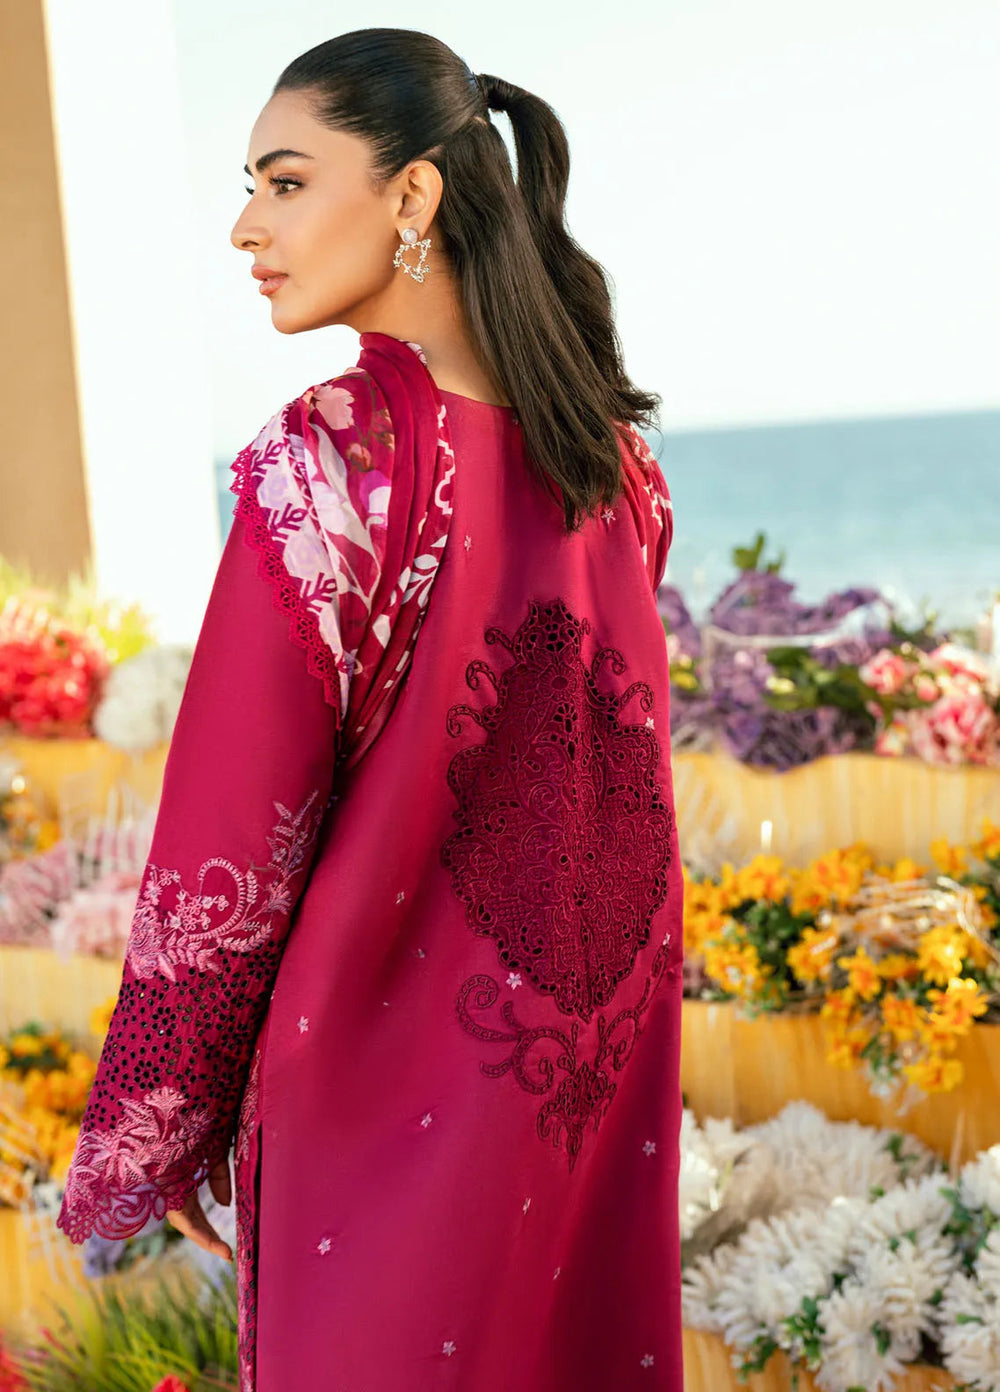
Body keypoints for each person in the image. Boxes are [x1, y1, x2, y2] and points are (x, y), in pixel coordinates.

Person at [56, 27, 683, 1392]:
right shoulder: (619, 471)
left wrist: (155, 1131)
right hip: (581, 1093)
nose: (245, 227)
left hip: (376, 1096)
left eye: (285, 183)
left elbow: (231, 845)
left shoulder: (333, 459)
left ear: (413, 194)